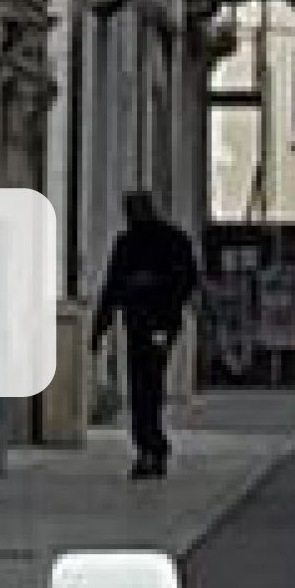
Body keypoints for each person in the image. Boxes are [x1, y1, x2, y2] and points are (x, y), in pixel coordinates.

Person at [89, 181, 204, 477]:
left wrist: (157, 292)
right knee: (145, 385)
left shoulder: (163, 241)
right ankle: (150, 447)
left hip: (155, 322)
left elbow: (186, 279)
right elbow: (112, 286)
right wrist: (100, 327)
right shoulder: (138, 242)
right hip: (146, 324)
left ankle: (151, 447)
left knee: (147, 385)